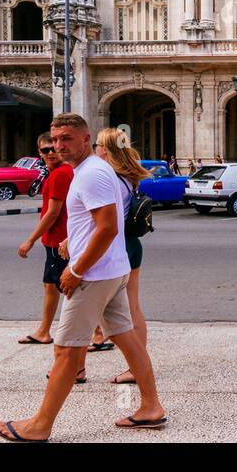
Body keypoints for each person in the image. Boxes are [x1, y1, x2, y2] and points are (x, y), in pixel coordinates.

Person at [0, 113, 167, 441]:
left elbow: (108, 227)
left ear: (87, 140)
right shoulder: (92, 171)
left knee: (66, 350)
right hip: (112, 269)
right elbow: (98, 223)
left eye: (67, 139)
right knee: (127, 338)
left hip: (94, 275)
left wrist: (76, 269)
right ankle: (151, 407)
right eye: (54, 140)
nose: (58, 146)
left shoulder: (90, 174)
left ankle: (40, 425)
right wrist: (73, 242)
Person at [94, 127, 149, 386]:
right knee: (133, 307)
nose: (94, 149)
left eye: (97, 145)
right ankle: (136, 364)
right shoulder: (129, 176)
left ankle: (135, 365)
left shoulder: (111, 179)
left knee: (112, 310)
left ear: (105, 149)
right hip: (132, 243)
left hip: (115, 246)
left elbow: (105, 222)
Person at [17, 133, 74, 354]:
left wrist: (30, 240)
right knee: (52, 286)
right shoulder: (60, 172)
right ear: (38, 152)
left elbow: (52, 213)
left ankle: (97, 332)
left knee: (67, 287)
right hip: (58, 239)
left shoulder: (60, 175)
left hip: (58, 240)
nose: (50, 153)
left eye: (53, 148)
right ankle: (44, 330)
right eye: (45, 150)